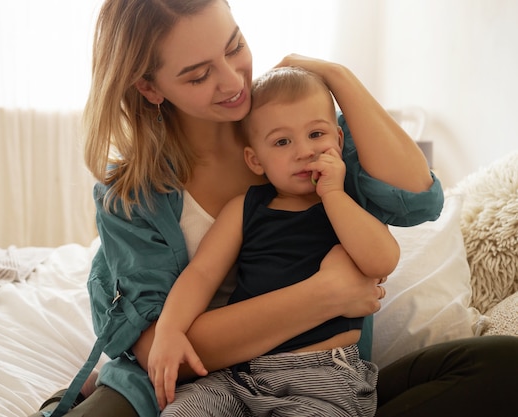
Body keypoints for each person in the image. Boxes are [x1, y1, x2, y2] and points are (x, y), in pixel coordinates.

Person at [33, 0, 518, 416]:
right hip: (196, 387)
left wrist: (336, 76)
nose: (232, 81)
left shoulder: (301, 135)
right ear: (150, 88)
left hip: (319, 380)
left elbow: (420, 199)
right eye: (199, 74)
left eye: (234, 46)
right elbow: (167, 350)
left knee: (502, 368)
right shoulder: (132, 195)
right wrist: (326, 294)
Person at [147, 67, 400, 417]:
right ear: (255, 160)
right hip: (238, 375)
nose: (304, 152)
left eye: (316, 134)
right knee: (183, 411)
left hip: (323, 377)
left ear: (338, 141)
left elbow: (382, 261)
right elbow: (202, 273)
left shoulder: (347, 207)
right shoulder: (245, 208)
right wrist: (169, 330)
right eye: (283, 142)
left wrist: (334, 195)